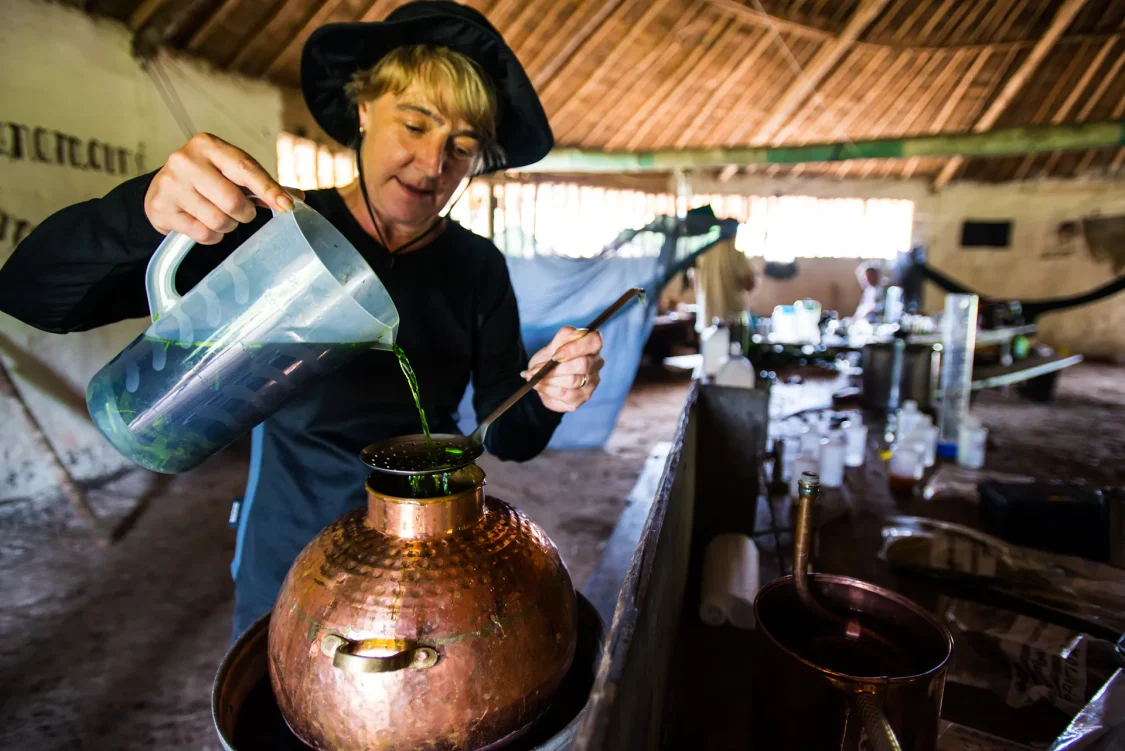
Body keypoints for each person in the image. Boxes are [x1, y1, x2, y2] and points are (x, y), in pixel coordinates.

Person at [0, 0, 606, 640]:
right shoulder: (280, 233)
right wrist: (143, 211)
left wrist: (546, 390)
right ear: (365, 108)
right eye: (416, 122)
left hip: (423, 556)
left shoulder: (476, 266)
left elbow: (504, 434)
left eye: (461, 145)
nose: (433, 165)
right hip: (287, 547)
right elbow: (33, 294)